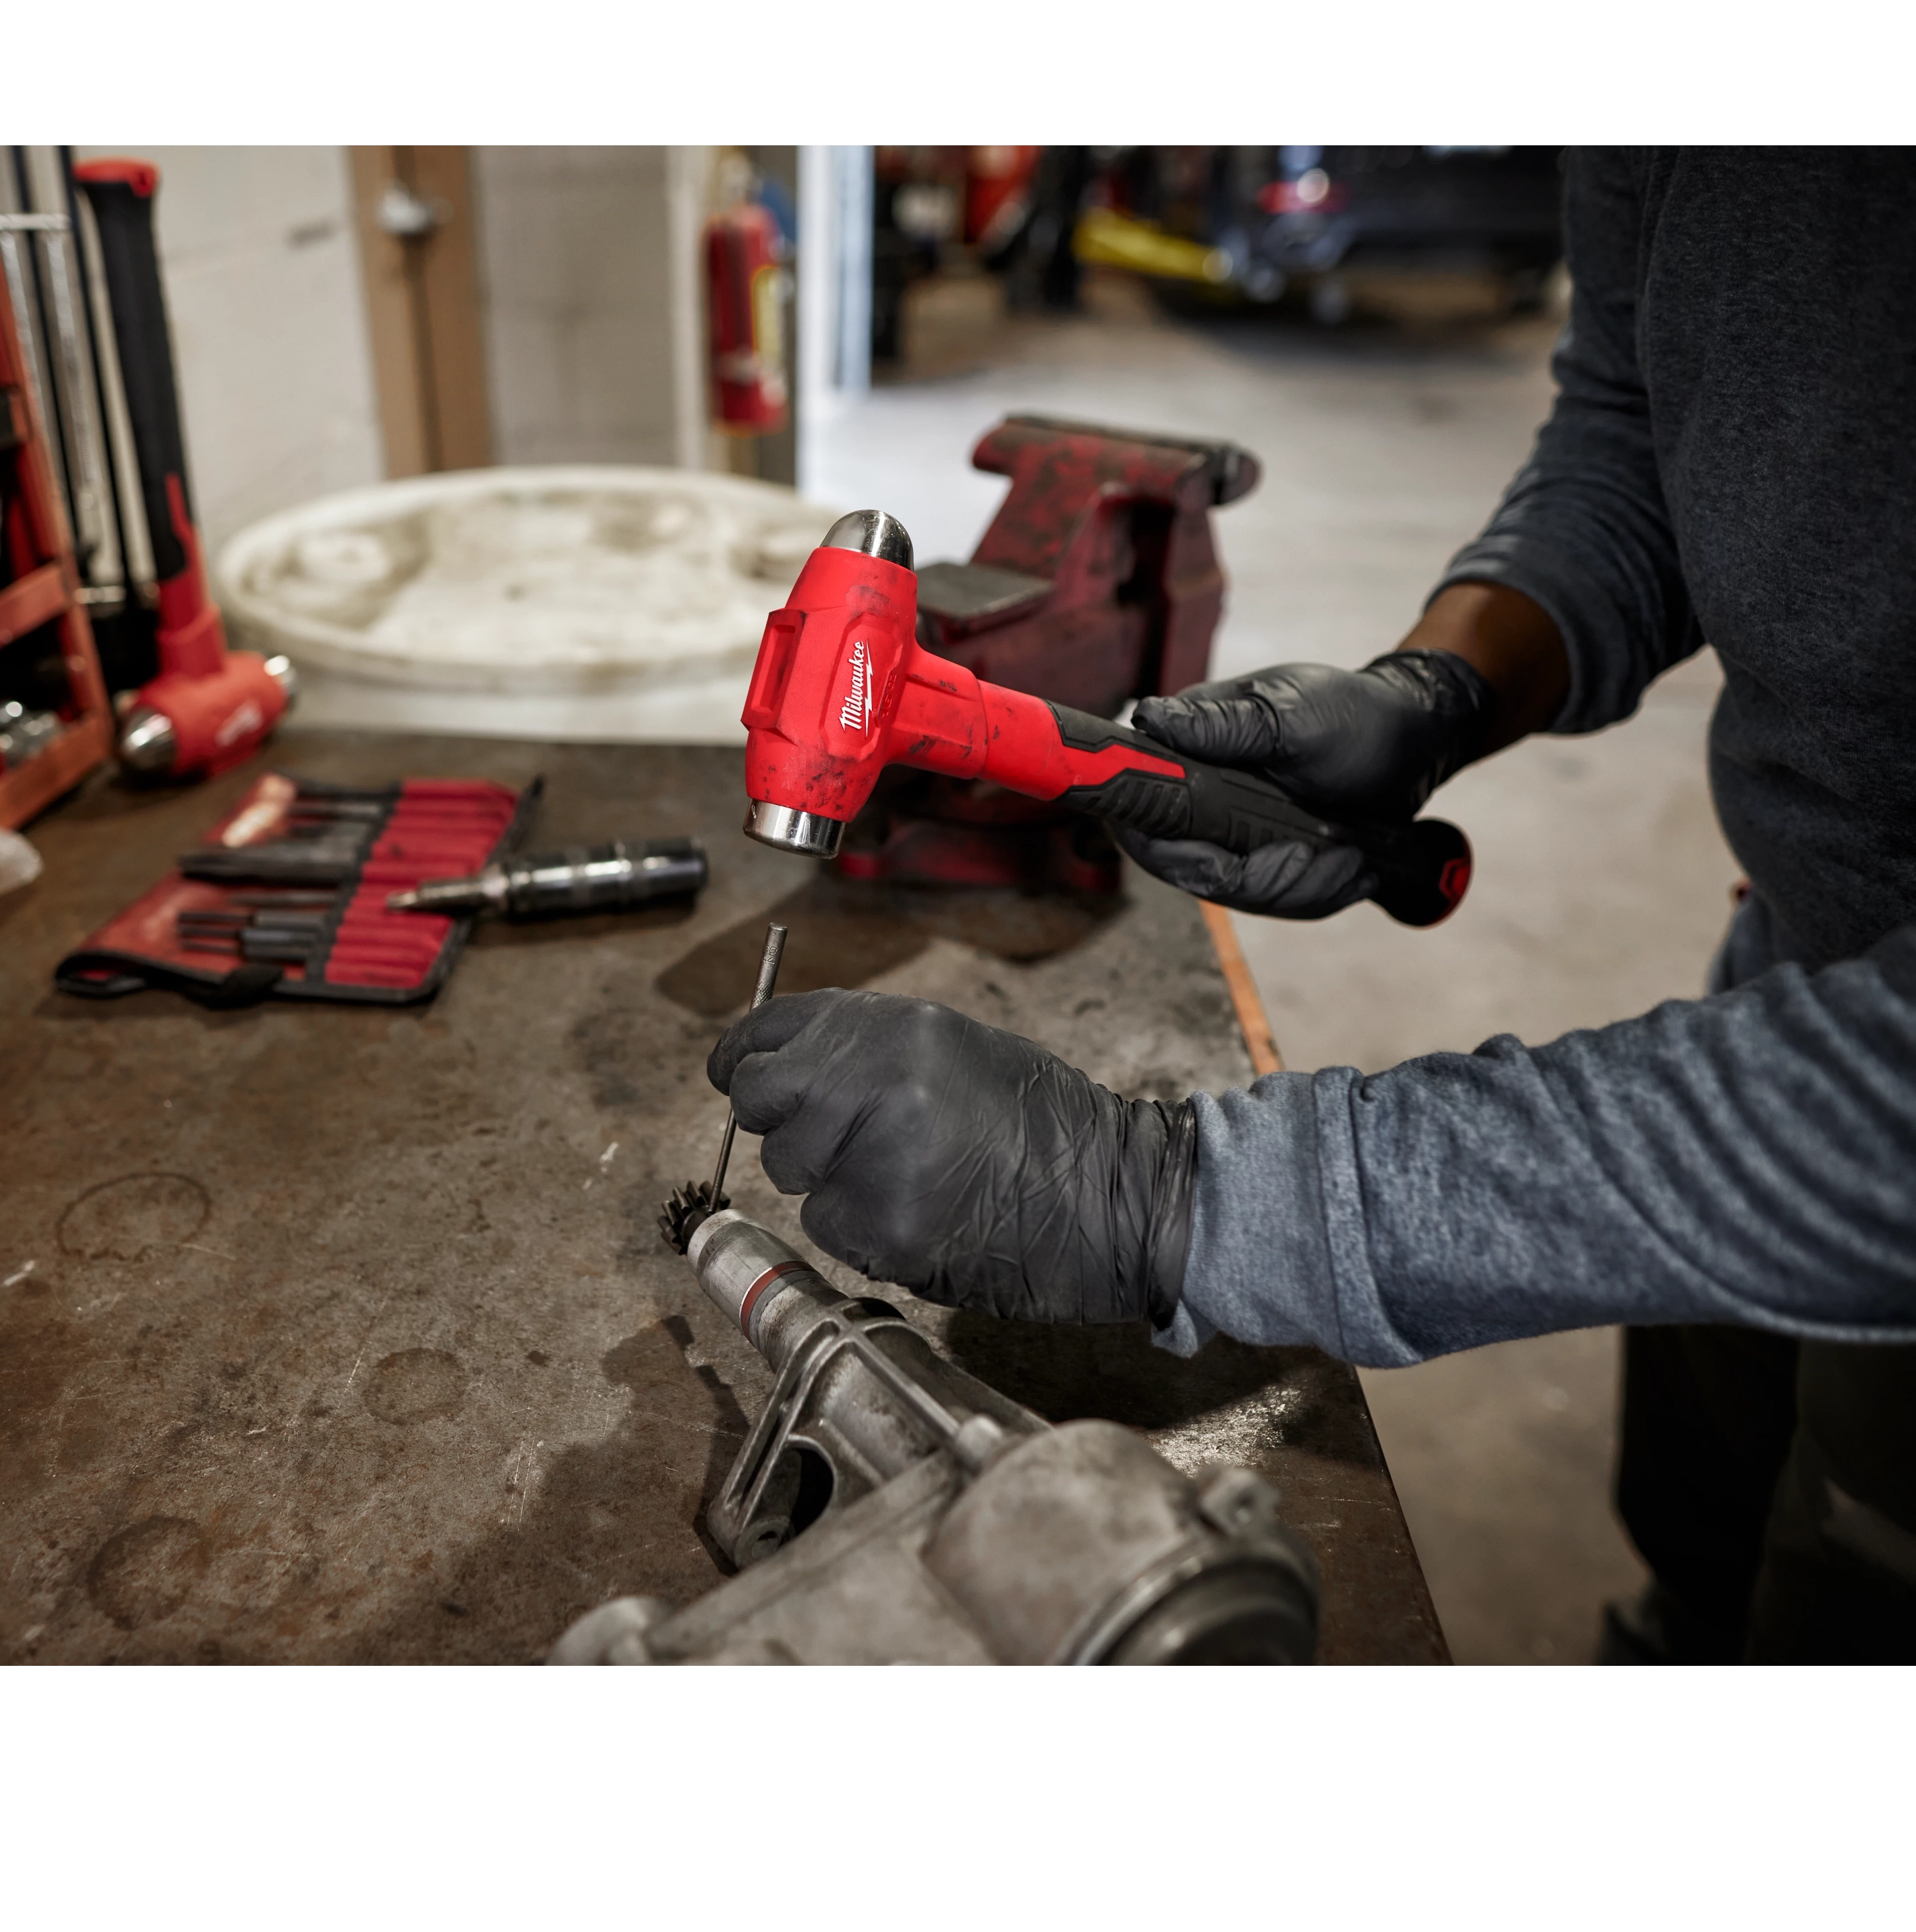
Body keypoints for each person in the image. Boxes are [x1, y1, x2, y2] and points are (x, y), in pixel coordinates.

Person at [710, 146, 1916, 1667]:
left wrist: (1169, 1199)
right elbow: (1643, 423)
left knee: (1848, 1584)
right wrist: (1447, 683)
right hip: (1788, 959)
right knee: (1700, 1529)